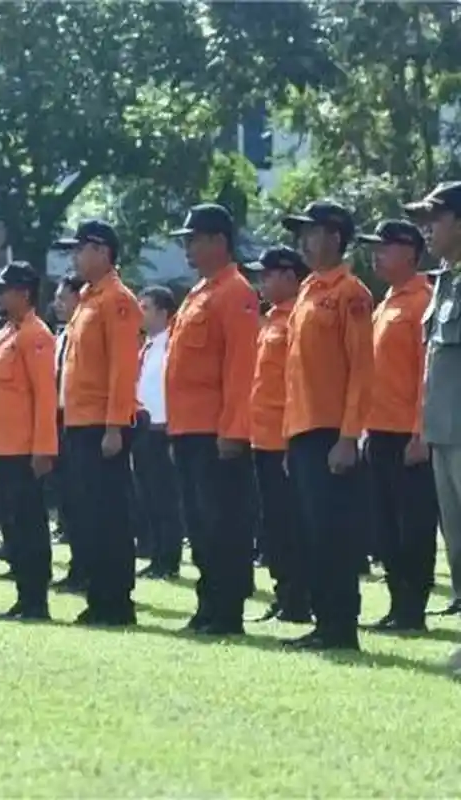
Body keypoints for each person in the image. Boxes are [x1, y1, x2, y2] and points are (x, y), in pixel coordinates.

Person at [282, 199, 373, 651]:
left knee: (333, 532)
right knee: (311, 532)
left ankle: (341, 626)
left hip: (331, 432)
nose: (303, 240)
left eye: (312, 231)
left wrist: (348, 436)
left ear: (335, 236)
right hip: (302, 430)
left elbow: (361, 369)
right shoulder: (308, 290)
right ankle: (324, 621)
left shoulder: (350, 293)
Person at [166, 204, 259, 636]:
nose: (187, 246)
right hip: (187, 429)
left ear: (218, 241)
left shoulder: (235, 292)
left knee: (223, 523)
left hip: (215, 431)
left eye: (194, 238)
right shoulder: (200, 292)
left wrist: (234, 429)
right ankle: (208, 606)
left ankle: (227, 611)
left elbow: (242, 367)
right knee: (199, 524)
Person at [54, 222, 141, 626]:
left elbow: (123, 369)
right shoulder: (88, 300)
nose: (75, 257)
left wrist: (114, 425)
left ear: (102, 251)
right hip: (79, 422)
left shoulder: (117, 300)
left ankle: (116, 600)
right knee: (88, 514)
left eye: (81, 249)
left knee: (109, 515)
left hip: (101, 425)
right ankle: (98, 594)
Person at [357, 219, 437, 631]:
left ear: (409, 252)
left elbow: (429, 373)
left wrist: (420, 432)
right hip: (379, 430)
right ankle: (396, 604)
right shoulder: (386, 301)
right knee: (385, 527)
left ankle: (413, 609)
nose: (376, 255)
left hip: (409, 436)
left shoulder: (423, 300)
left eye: (384, 247)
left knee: (413, 527)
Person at [0, 261, 58, 620]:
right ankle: (23, 596)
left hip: (22, 449)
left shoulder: (35, 335)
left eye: (3, 289)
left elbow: (44, 396)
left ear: (23, 293)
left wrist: (44, 448)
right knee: (13, 526)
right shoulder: (6, 334)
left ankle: (35, 599)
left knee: (29, 526)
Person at [247, 246, 313, 625]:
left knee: (291, 526)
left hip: (284, 439)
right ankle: (284, 594)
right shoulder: (273, 318)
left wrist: (291, 438)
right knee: (273, 526)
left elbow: (295, 384)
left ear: (289, 276)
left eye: (268, 274)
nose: (262, 282)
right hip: (262, 437)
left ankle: (298, 599)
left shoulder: (295, 319)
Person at [410, 182, 461, 617]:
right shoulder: (443, 282)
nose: (427, 230)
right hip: (443, 430)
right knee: (455, 536)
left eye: (436, 218)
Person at [134, 285, 183, 580]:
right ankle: (155, 553)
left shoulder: (171, 345)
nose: (141, 314)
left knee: (165, 497)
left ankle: (169, 558)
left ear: (163, 313)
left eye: (146, 308)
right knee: (148, 495)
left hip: (163, 428)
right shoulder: (148, 345)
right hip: (143, 428)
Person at [50, 273, 86, 592]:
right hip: (61, 421)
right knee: (69, 501)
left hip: (80, 420)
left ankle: (85, 569)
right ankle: (77, 566)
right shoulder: (63, 334)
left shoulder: (82, 331)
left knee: (83, 500)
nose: (58, 305)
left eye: (63, 298)